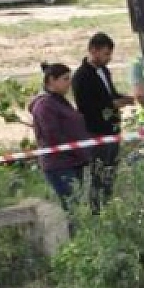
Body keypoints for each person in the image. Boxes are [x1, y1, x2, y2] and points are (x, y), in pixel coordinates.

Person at [72, 32, 134, 207]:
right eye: (106, 54)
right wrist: (113, 104)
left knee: (110, 169)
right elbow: (87, 106)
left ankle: (107, 201)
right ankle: (96, 206)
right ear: (93, 50)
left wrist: (126, 99)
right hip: (96, 131)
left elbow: (110, 94)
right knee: (98, 172)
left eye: (110, 54)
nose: (109, 58)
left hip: (112, 128)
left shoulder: (104, 71)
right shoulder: (82, 76)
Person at [31, 63, 94, 210]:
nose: (69, 83)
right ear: (51, 80)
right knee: (73, 207)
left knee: (77, 206)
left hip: (73, 161)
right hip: (59, 164)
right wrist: (78, 150)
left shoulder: (59, 101)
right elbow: (53, 136)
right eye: (65, 79)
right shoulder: (45, 105)